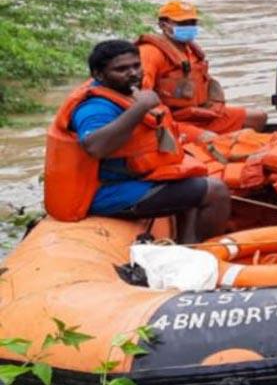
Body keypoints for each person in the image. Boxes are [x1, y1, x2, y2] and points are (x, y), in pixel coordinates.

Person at [43, 40, 230, 243]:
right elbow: (95, 147)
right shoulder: (94, 107)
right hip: (102, 193)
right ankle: (209, 252)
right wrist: (139, 108)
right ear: (99, 75)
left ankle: (188, 249)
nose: (133, 73)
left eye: (136, 65)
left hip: (131, 180)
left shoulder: (125, 93)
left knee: (192, 182)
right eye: (121, 69)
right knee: (216, 191)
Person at [137, 0, 267, 139]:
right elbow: (141, 96)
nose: (189, 27)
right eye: (182, 23)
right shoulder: (150, 52)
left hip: (201, 114)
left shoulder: (191, 50)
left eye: (192, 23)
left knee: (258, 117)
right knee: (210, 138)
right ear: (163, 25)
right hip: (173, 120)